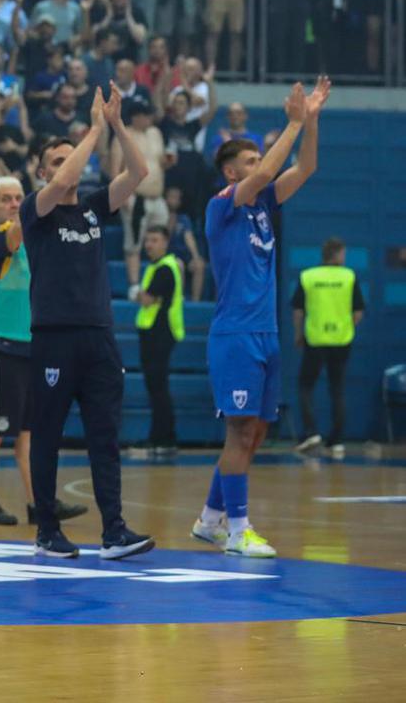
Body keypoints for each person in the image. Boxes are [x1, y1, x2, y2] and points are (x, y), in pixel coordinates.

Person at [192, 77, 329, 559]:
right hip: (235, 334)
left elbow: (305, 167)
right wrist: (292, 122)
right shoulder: (221, 206)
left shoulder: (265, 205)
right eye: (250, 161)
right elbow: (271, 168)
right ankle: (238, 530)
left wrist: (311, 121)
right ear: (232, 173)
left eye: (258, 158)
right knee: (239, 432)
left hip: (266, 334)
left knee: (256, 433)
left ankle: (210, 519)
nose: (260, 166)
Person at [19, 85, 155, 560]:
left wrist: (115, 124)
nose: (66, 167)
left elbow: (139, 172)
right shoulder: (36, 210)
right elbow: (62, 183)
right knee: (48, 436)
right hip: (54, 339)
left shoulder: (94, 208)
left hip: (99, 338)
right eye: (56, 161)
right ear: (41, 172)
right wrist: (94, 131)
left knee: (105, 437)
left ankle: (114, 531)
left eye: (69, 158)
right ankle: (47, 530)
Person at [0, 176, 88, 527]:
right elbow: (18, 230)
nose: (13, 203)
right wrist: (41, 198)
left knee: (28, 434)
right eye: (5, 198)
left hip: (31, 344)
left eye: (19, 197)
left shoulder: (31, 244)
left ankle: (40, 503)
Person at [293, 237, 363, 458]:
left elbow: (298, 310)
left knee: (305, 386)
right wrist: (346, 328)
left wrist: (298, 334)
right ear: (338, 254)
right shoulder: (349, 276)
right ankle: (337, 441)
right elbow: (358, 312)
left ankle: (311, 432)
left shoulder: (309, 276)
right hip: (341, 340)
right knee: (337, 388)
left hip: (315, 339)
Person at [134, 225, 184, 459]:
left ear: (165, 242)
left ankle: (164, 438)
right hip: (154, 333)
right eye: (147, 240)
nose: (149, 245)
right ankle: (159, 436)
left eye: (154, 240)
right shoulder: (158, 267)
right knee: (156, 388)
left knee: (158, 388)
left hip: (160, 334)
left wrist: (137, 294)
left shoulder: (165, 268)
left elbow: (146, 299)